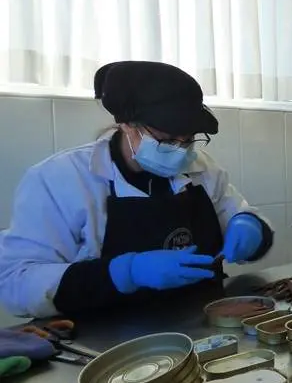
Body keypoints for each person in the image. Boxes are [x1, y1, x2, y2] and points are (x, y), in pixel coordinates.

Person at [0, 61, 273, 318]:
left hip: (199, 319)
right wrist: (125, 272)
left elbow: (240, 215)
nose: (180, 150)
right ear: (127, 125)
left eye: (188, 139)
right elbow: (16, 283)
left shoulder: (203, 169)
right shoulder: (61, 179)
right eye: (166, 139)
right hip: (103, 336)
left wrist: (250, 227)